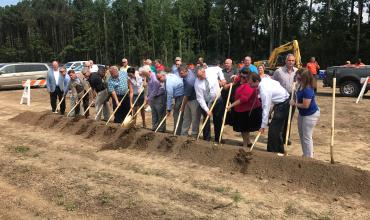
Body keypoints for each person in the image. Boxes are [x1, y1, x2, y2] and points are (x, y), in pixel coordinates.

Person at [248, 74, 290, 154]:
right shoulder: (264, 79)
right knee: (275, 129)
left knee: (274, 130)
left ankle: (274, 152)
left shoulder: (264, 90)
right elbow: (277, 83)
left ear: (257, 81)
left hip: (283, 104)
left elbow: (265, 108)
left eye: (251, 84)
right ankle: (275, 150)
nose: (250, 86)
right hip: (281, 102)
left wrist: (263, 125)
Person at [227, 70, 262, 147]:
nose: (241, 78)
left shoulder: (249, 85)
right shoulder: (241, 81)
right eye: (241, 76)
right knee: (244, 128)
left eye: (244, 77)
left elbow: (244, 99)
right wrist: (235, 78)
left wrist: (231, 105)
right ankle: (247, 142)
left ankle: (245, 144)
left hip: (247, 110)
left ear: (248, 78)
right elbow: (236, 79)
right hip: (240, 109)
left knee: (245, 128)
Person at [290, 68, 320, 158]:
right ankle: (306, 154)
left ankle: (309, 157)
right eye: (297, 75)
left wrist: (294, 103)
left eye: (299, 76)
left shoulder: (308, 89)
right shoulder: (300, 85)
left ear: (304, 78)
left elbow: (305, 105)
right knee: (301, 134)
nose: (297, 77)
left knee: (306, 136)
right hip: (303, 114)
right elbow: (297, 95)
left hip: (310, 114)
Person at [272, 53, 298, 145]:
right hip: (281, 97)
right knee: (280, 117)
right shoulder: (279, 71)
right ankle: (277, 137)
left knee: (289, 118)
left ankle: (286, 137)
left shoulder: (297, 71)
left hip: (293, 97)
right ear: (285, 61)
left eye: (292, 60)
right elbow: (273, 84)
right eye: (289, 60)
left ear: (295, 62)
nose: (291, 62)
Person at [194, 67, 224, 141]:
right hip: (206, 101)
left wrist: (222, 79)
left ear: (204, 72)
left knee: (218, 120)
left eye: (201, 76)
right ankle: (206, 139)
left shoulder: (211, 71)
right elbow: (200, 98)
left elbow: (219, 69)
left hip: (217, 99)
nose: (199, 78)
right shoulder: (197, 84)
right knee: (206, 119)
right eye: (198, 77)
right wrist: (207, 110)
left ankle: (218, 138)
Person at [157, 71, 184, 135]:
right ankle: (177, 131)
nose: (159, 80)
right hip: (178, 95)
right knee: (176, 113)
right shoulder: (169, 75)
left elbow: (169, 96)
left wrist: (168, 109)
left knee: (176, 113)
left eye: (159, 78)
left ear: (163, 75)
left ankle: (177, 132)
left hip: (180, 96)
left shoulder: (169, 83)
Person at [140, 65, 166, 132]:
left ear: (149, 71)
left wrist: (148, 99)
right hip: (153, 97)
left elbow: (155, 90)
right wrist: (148, 97)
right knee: (154, 113)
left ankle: (161, 129)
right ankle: (154, 127)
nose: (143, 75)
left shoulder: (154, 78)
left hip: (159, 97)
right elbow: (149, 88)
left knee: (160, 113)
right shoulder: (148, 77)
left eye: (144, 73)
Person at [178, 65, 201, 136]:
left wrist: (182, 107)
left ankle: (194, 134)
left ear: (186, 72)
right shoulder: (189, 72)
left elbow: (186, 96)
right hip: (188, 99)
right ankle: (183, 134)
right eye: (179, 73)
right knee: (186, 117)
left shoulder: (189, 81)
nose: (180, 75)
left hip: (195, 100)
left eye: (181, 73)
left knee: (195, 118)